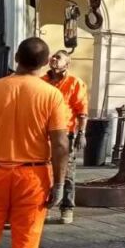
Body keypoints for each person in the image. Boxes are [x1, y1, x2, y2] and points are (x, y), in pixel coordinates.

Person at [0, 37, 69, 248]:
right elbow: (60, 143)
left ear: (16, 58)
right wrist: (60, 182)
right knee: (26, 240)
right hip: (32, 175)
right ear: (45, 62)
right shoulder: (51, 95)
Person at [43, 49, 88, 225]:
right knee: (45, 171)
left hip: (65, 134)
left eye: (58, 57)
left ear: (67, 64)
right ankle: (45, 208)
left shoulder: (75, 83)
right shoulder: (42, 82)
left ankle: (67, 208)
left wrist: (81, 133)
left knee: (67, 172)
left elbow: (82, 111)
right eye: (53, 56)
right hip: (44, 134)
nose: (54, 59)